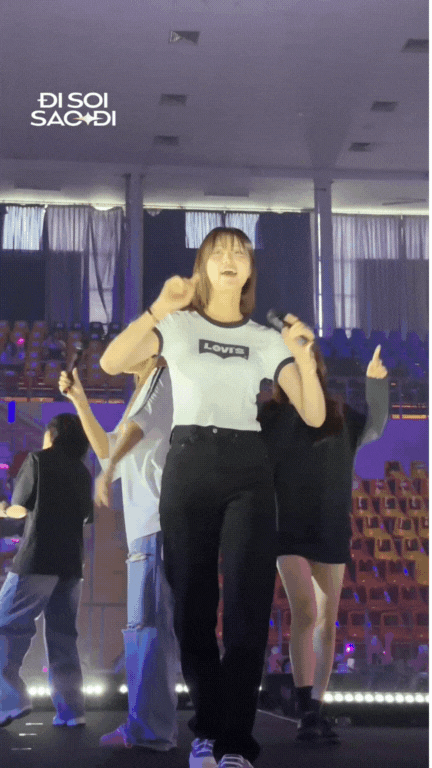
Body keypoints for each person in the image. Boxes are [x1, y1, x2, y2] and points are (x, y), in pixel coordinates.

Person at [100, 227, 326, 768]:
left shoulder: (266, 339)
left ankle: (236, 743)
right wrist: (158, 308)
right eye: (218, 251)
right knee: (192, 610)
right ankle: (206, 731)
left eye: (239, 251)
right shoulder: (177, 326)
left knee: (248, 608)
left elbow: (315, 415)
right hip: (189, 463)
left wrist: (303, 357)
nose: (229, 258)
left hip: (248, 468)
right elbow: (111, 362)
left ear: (249, 270)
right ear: (202, 267)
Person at [259, 337, 389, 743]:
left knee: (325, 621)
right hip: (287, 526)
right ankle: (304, 707)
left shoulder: (340, 414)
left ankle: (315, 708)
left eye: (308, 361)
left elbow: (375, 427)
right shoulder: (269, 416)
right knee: (304, 610)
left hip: (331, 525)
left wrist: (376, 385)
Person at [58, 356, 179, 751]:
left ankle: (151, 730)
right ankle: (149, 727)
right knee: (146, 627)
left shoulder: (162, 379)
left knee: (149, 628)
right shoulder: (143, 390)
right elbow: (109, 449)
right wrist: (80, 400)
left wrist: (107, 473)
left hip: (156, 523)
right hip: (147, 526)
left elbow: (129, 439)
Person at [0, 413, 92, 728]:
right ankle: (71, 711)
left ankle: (10, 701)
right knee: (63, 637)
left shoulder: (38, 460)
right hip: (71, 564)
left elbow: (20, 508)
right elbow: (85, 517)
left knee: (6, 626)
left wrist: (3, 509)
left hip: (37, 558)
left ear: (52, 434)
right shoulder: (82, 470)